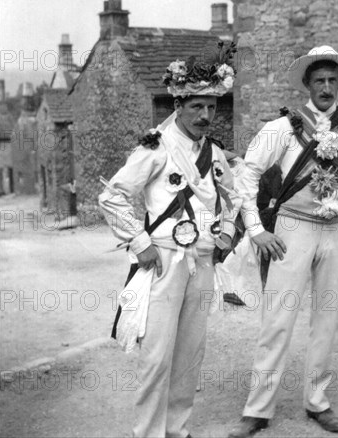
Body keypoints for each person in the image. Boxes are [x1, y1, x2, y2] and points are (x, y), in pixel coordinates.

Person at [229, 46, 338, 437]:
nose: (325, 87)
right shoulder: (284, 126)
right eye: (318, 80)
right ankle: (257, 410)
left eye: (332, 80)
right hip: (292, 230)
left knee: (326, 320)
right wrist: (256, 230)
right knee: (278, 320)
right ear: (307, 84)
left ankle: (317, 402)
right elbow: (247, 173)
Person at [99, 42, 241, 438]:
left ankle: (178, 430)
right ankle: (147, 433)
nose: (205, 115)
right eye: (197, 106)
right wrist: (140, 242)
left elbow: (234, 196)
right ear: (178, 105)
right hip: (164, 260)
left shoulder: (212, 151)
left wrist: (227, 231)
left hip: (204, 262)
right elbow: (112, 195)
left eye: (212, 107)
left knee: (190, 355)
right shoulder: (155, 147)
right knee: (156, 356)